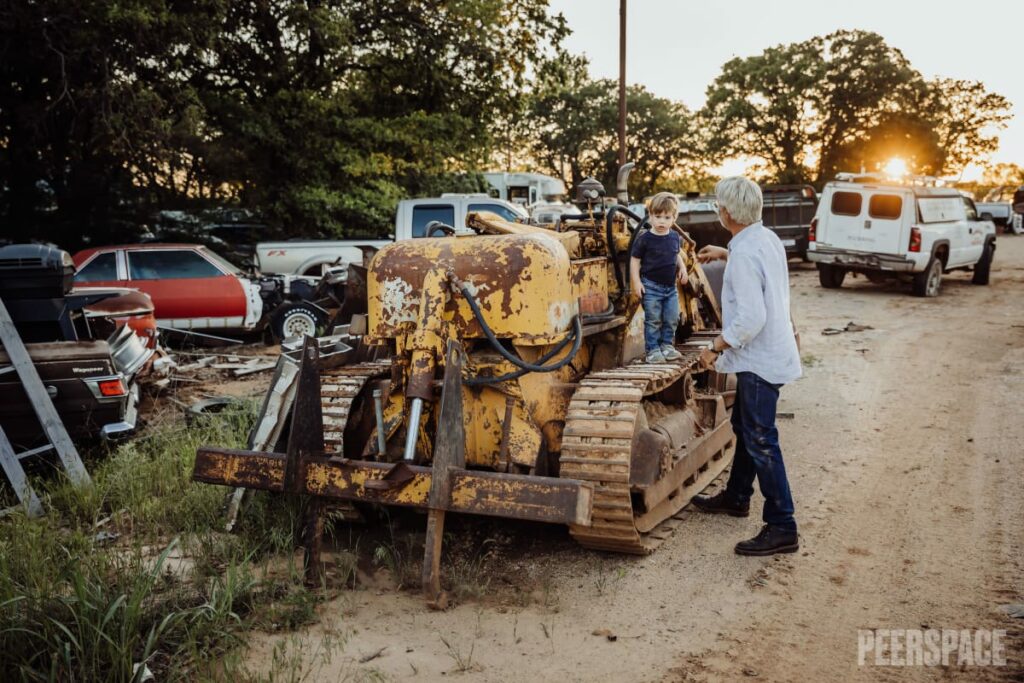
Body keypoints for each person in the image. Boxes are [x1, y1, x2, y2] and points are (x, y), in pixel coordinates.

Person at [692, 176, 802, 556]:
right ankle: (737, 497)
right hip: (773, 352)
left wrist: (713, 348)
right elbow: (757, 267)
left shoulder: (745, 255)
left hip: (759, 361)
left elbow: (750, 320)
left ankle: (782, 525)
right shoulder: (764, 239)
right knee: (746, 426)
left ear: (726, 212)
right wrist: (725, 253)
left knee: (760, 439)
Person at [630, 192, 689, 364]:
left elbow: (676, 254)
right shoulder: (645, 239)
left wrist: (683, 269)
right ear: (650, 216)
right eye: (657, 216)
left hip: (670, 288)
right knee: (653, 320)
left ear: (674, 218)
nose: (662, 221)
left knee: (672, 318)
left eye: (667, 217)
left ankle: (667, 346)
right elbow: (635, 260)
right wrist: (637, 282)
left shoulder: (674, 237)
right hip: (651, 287)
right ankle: (653, 350)